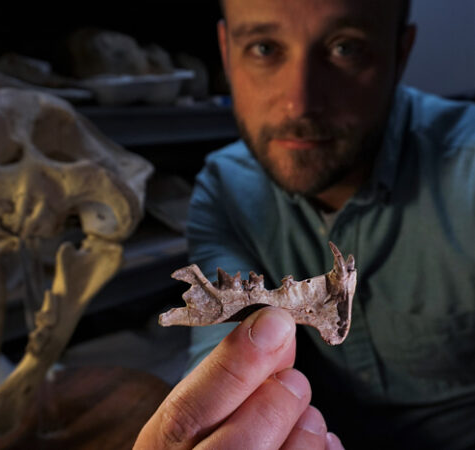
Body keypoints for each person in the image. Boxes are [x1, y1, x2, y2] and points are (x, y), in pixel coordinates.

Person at [136, 0, 475, 448]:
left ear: (400, 52)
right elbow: (218, 358)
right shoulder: (224, 189)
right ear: (226, 51)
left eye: (345, 48)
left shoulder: (465, 170)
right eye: (263, 47)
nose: (301, 101)